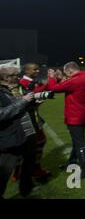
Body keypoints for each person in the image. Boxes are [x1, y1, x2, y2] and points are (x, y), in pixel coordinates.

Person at [47, 62, 85, 179]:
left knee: (80, 143)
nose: (66, 76)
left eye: (66, 74)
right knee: (76, 141)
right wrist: (60, 79)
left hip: (75, 116)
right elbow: (66, 85)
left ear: (69, 71)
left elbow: (53, 88)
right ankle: (72, 162)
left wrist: (51, 77)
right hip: (83, 113)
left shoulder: (75, 80)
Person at [0, 66, 35, 198]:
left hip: (28, 133)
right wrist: (23, 101)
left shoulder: (16, 87)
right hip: (11, 137)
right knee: (4, 171)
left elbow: (21, 107)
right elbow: (1, 114)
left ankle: (25, 190)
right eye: (15, 75)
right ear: (6, 78)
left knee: (29, 165)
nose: (18, 77)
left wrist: (33, 103)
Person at [18, 63, 52, 180]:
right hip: (28, 118)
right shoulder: (23, 83)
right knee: (38, 142)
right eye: (34, 69)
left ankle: (20, 171)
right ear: (27, 71)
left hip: (34, 115)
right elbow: (25, 100)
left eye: (38, 69)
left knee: (36, 142)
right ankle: (34, 169)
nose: (37, 71)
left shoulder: (31, 81)